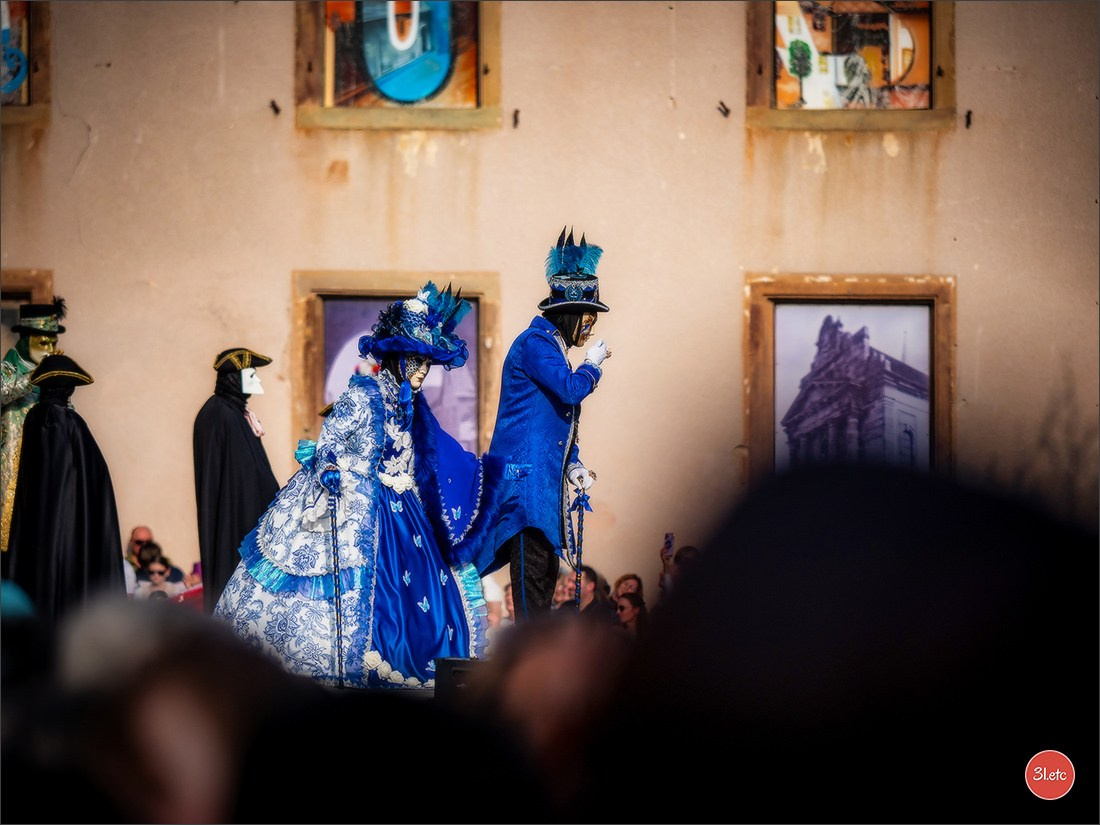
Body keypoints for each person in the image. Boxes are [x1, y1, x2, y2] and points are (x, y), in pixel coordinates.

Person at [215, 282, 506, 690]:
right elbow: (328, 445)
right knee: (357, 595)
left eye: (427, 362)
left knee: (431, 603)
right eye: (415, 360)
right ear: (396, 358)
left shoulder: (416, 407)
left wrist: (492, 473)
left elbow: (438, 454)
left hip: (406, 514)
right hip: (359, 504)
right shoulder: (362, 394)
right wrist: (329, 469)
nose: (422, 371)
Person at [487, 227, 612, 619]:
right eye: (588, 318)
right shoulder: (535, 344)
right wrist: (593, 366)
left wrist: (573, 463)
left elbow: (556, 417)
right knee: (533, 575)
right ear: (571, 315)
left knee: (544, 572)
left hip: (543, 484)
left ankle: (531, 654)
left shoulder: (549, 347)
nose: (590, 327)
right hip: (526, 487)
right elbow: (571, 391)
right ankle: (525, 661)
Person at [6, 354, 125, 625]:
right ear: (68, 388)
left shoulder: (34, 419)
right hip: (70, 524)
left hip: (37, 526)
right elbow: (91, 477)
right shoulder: (69, 422)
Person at [193, 347, 280, 613]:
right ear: (238, 377)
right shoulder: (220, 414)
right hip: (232, 522)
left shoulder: (236, 414)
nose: (259, 380)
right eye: (252, 374)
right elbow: (234, 477)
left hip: (248, 518)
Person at [1, 297, 66, 572]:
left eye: (54, 342)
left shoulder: (51, 372)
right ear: (27, 339)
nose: (51, 349)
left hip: (42, 462)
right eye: (44, 341)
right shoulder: (9, 368)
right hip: (10, 467)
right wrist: (33, 378)